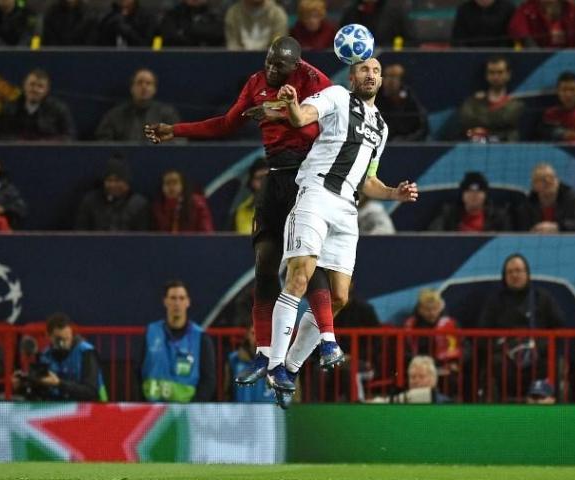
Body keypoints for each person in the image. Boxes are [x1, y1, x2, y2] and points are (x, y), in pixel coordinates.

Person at [144, 37, 336, 389]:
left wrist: (282, 112)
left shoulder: (314, 81)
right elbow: (226, 123)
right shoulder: (255, 83)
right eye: (268, 62)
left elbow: (333, 121)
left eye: (279, 66)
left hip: (307, 179)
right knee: (264, 266)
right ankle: (265, 354)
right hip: (275, 178)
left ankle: (327, 339)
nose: (271, 70)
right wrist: (177, 131)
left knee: (309, 264)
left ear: (296, 66)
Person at [267, 57, 419, 396]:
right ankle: (275, 363)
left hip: (347, 209)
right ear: (352, 76)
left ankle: (290, 368)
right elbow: (301, 117)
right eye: (365, 69)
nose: (372, 75)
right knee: (299, 276)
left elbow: (369, 180)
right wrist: (292, 105)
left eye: (377, 71)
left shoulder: (381, 125)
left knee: (338, 297)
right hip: (317, 192)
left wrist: (394, 192)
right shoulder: (335, 96)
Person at [478, 254, 565, 401]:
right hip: (506, 361)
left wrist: (539, 346)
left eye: (518, 270)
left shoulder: (542, 298)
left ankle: (542, 401)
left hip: (538, 358)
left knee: (550, 363)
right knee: (494, 364)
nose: (514, 275)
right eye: (510, 272)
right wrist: (505, 347)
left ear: (527, 273)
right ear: (504, 276)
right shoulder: (494, 301)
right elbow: (482, 335)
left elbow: (560, 329)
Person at [141, 280, 216, 402]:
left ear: (188, 302)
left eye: (181, 298)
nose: (177, 303)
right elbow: (137, 373)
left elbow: (208, 381)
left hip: (187, 414)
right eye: (173, 298)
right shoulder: (151, 333)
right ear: (165, 301)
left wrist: (193, 409)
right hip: (152, 411)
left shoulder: (201, 338)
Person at [13, 313, 107, 401]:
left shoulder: (86, 352)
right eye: (59, 339)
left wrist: (59, 384)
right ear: (49, 336)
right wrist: (22, 387)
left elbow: (90, 391)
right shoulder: (46, 355)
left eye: (68, 338)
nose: (65, 344)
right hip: (60, 410)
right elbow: (40, 393)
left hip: (93, 408)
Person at [95, 68, 180, 142]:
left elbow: (179, 141)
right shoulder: (115, 115)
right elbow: (103, 143)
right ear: (132, 88)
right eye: (139, 83)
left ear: (154, 89)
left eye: (148, 83)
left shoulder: (167, 114)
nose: (144, 87)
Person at [0, 68, 76, 141]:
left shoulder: (59, 110)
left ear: (47, 90)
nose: (35, 89)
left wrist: (46, 143)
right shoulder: (9, 109)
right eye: (32, 84)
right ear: (24, 86)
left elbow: (69, 137)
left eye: (40, 86)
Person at [74, 154, 151, 231]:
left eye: (117, 180)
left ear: (127, 183)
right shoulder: (90, 202)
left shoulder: (139, 205)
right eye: (109, 180)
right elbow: (81, 232)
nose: (112, 185)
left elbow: (142, 236)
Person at [458, 56, 524, 142]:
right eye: (492, 72)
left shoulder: (516, 103)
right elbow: (466, 119)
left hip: (505, 148)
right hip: (478, 149)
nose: (496, 77)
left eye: (500, 72)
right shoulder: (473, 101)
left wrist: (479, 124)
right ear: (486, 75)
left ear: (508, 74)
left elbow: (505, 119)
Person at [512, 162, 575, 232]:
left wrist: (558, 227)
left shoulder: (573, 198)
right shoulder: (526, 205)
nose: (548, 181)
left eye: (551, 177)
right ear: (534, 185)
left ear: (557, 180)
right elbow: (520, 230)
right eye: (542, 179)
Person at [427, 171, 511, 232]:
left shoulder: (499, 216)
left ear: (485, 195)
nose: (474, 195)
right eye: (469, 191)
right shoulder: (448, 212)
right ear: (462, 195)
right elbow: (433, 236)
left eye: (478, 191)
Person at [375, 63, 428, 142]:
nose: (391, 81)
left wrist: (405, 141)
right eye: (387, 76)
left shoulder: (408, 97)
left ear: (401, 81)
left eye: (395, 77)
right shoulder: (374, 98)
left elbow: (422, 127)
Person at [224, 320, 274, 402]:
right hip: (242, 413)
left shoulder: (282, 361)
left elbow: (294, 396)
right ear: (247, 335)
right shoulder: (234, 359)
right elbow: (227, 392)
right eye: (253, 333)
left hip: (271, 414)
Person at [370, 356, 452, 404]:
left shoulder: (445, 403)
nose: (416, 381)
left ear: (432, 379)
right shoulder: (401, 401)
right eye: (413, 377)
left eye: (421, 376)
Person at [509, 0, 575, 48]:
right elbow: (515, 28)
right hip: (537, 60)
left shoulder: (574, 11)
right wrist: (533, 49)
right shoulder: (528, 9)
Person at [339, 0, 413, 48]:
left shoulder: (395, 11)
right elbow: (340, 42)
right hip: (356, 63)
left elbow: (411, 42)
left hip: (389, 63)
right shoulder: (350, 12)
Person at [158, 0, 224, 47]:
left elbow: (217, 34)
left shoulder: (216, 14)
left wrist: (186, 32)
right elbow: (170, 37)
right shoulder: (172, 15)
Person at [451, 0, 515, 48]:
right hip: (470, 57)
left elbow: (512, 40)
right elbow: (458, 41)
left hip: (502, 58)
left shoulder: (509, 9)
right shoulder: (463, 10)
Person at [234, 157, 268, 234]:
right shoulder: (242, 211)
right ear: (252, 182)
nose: (264, 182)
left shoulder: (287, 208)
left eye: (268, 177)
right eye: (260, 178)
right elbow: (245, 239)